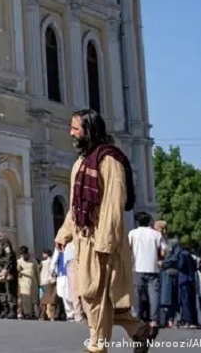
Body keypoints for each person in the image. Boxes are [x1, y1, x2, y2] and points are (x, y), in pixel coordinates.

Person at [55, 109, 154, 353]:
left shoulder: (109, 160)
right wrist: (64, 234)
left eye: (75, 128)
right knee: (95, 296)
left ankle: (97, 347)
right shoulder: (80, 162)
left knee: (95, 294)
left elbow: (113, 203)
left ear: (88, 130)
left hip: (102, 239)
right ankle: (139, 331)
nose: (71, 133)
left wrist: (105, 241)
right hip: (83, 239)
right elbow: (75, 206)